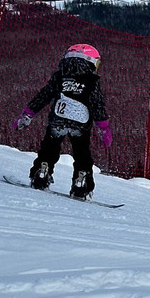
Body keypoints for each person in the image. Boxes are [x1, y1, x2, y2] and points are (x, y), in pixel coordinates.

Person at [14, 43, 112, 199]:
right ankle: (82, 181)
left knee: (49, 148)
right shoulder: (92, 79)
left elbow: (44, 95)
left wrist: (27, 114)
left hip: (58, 119)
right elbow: (96, 103)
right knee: (82, 154)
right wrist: (103, 126)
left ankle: (42, 171)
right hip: (81, 123)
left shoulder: (59, 76)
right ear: (90, 61)